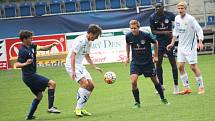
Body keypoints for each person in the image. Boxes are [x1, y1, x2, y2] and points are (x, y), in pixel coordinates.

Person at [15, 30, 61, 120]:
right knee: (52, 83)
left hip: (29, 77)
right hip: (30, 77)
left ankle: (29, 116)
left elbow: (43, 48)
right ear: (24, 39)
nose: (32, 39)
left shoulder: (32, 46)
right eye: (30, 38)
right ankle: (50, 107)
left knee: (39, 96)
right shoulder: (23, 51)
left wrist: (51, 46)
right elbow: (17, 64)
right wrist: (25, 63)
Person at [124, 20, 169, 108]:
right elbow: (127, 44)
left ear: (138, 27)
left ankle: (163, 98)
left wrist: (155, 56)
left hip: (148, 62)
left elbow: (155, 42)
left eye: (135, 28)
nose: (133, 30)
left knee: (155, 80)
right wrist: (127, 57)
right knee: (133, 81)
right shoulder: (128, 36)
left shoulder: (145, 35)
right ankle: (137, 103)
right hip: (136, 63)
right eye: (131, 28)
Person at [167, 1, 205, 95]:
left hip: (191, 47)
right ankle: (187, 88)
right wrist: (172, 43)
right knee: (180, 66)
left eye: (182, 8)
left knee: (193, 67)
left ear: (185, 9)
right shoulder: (176, 18)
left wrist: (200, 42)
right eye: (179, 8)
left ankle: (201, 87)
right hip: (181, 47)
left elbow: (199, 30)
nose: (180, 10)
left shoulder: (191, 19)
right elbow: (176, 32)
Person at [65, 24, 103, 117]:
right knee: (84, 83)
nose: (97, 38)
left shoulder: (89, 42)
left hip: (80, 65)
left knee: (91, 86)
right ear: (90, 33)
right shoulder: (80, 40)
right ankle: (77, 109)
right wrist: (73, 70)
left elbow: (86, 55)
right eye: (96, 36)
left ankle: (82, 108)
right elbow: (73, 55)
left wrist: (94, 66)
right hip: (71, 64)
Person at [150, 2, 179, 94]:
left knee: (173, 64)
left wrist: (175, 32)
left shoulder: (170, 15)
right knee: (158, 64)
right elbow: (153, 31)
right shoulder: (152, 17)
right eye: (156, 7)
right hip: (159, 43)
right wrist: (165, 32)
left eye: (159, 7)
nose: (158, 8)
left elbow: (178, 22)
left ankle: (176, 86)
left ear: (163, 7)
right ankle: (160, 85)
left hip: (169, 42)